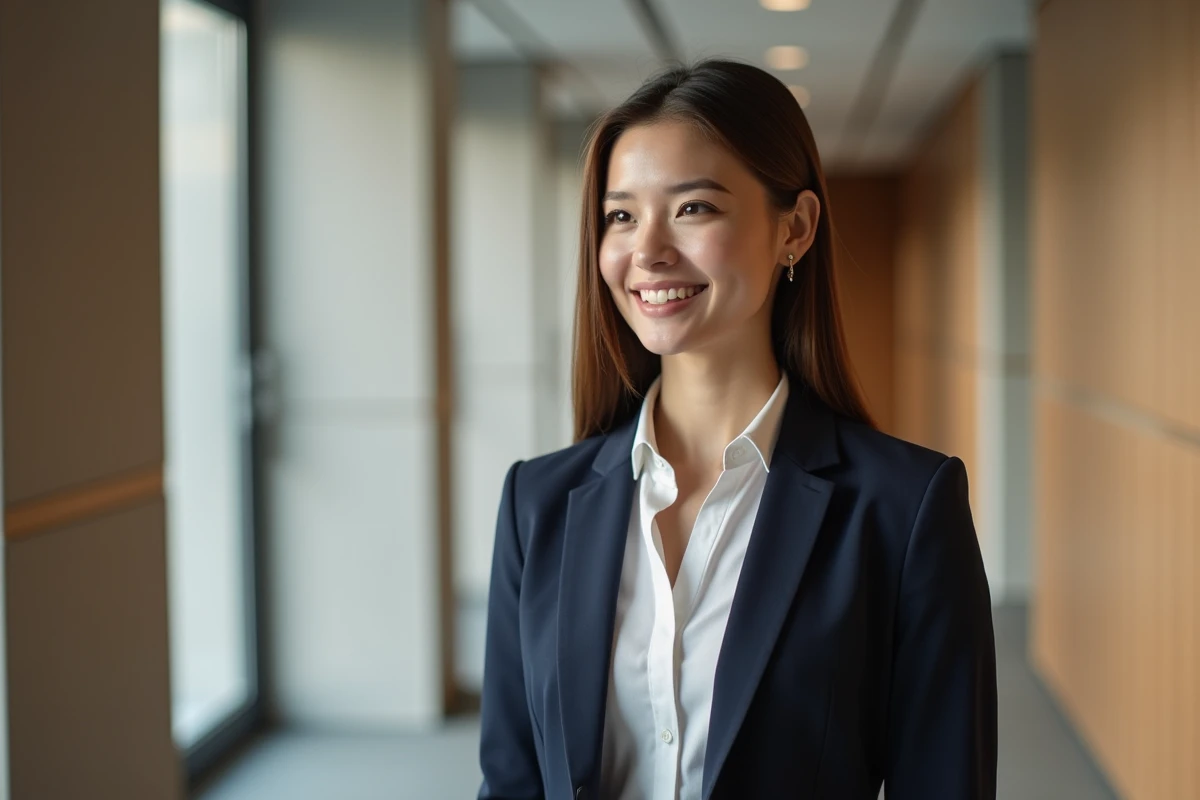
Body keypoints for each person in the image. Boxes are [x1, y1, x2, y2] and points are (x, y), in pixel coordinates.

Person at [477, 58, 997, 800]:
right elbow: (513, 782)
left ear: (796, 228)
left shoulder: (903, 509)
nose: (647, 250)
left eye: (693, 208)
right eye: (621, 215)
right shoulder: (538, 504)